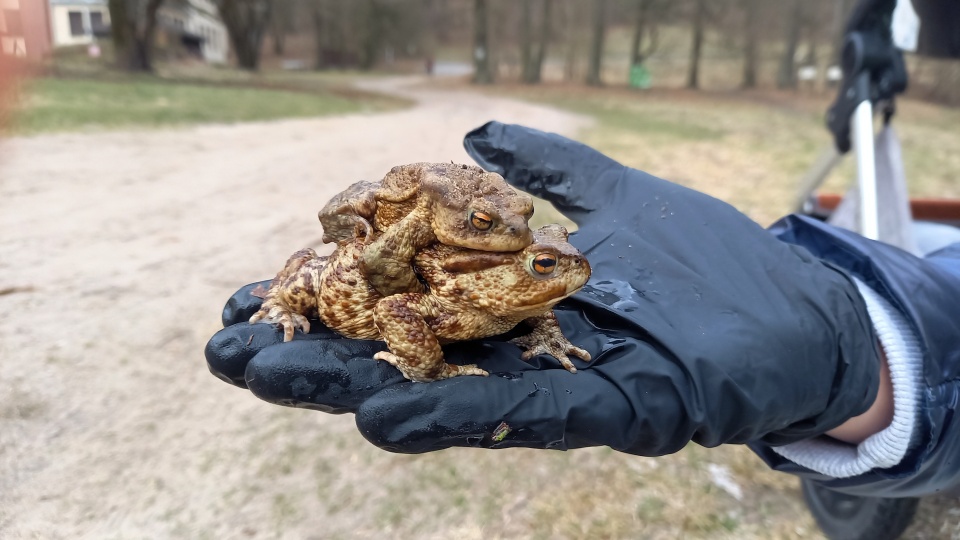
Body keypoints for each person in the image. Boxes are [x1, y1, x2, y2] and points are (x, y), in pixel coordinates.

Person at [206, 121, 960, 498]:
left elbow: (521, 300)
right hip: (366, 287)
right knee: (310, 281)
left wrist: (863, 361)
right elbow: (405, 301)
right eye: (542, 260)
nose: (570, 268)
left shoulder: (512, 290)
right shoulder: (458, 277)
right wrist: (882, 346)